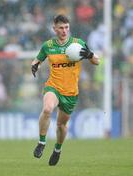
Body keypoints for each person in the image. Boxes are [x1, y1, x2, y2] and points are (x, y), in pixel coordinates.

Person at [31, 14, 99, 166]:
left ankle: (57, 149)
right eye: (61, 28)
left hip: (70, 92)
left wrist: (90, 54)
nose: (64, 30)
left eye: (66, 27)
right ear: (54, 29)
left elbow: (97, 61)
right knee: (47, 109)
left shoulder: (78, 44)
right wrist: (35, 65)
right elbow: (37, 59)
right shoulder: (48, 46)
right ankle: (41, 142)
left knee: (61, 125)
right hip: (53, 86)